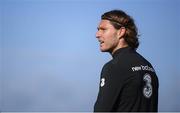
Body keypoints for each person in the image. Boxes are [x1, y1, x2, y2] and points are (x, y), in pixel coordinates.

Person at [94, 9, 159, 112]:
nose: (97, 34)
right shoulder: (148, 66)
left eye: (103, 29)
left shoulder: (114, 67)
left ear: (121, 32)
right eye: (98, 29)